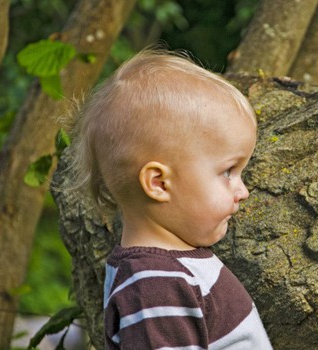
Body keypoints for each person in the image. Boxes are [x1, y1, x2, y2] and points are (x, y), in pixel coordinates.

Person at [67, 50, 272, 349]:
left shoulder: (167, 271)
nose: (243, 191)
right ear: (159, 183)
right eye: (228, 172)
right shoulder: (155, 288)